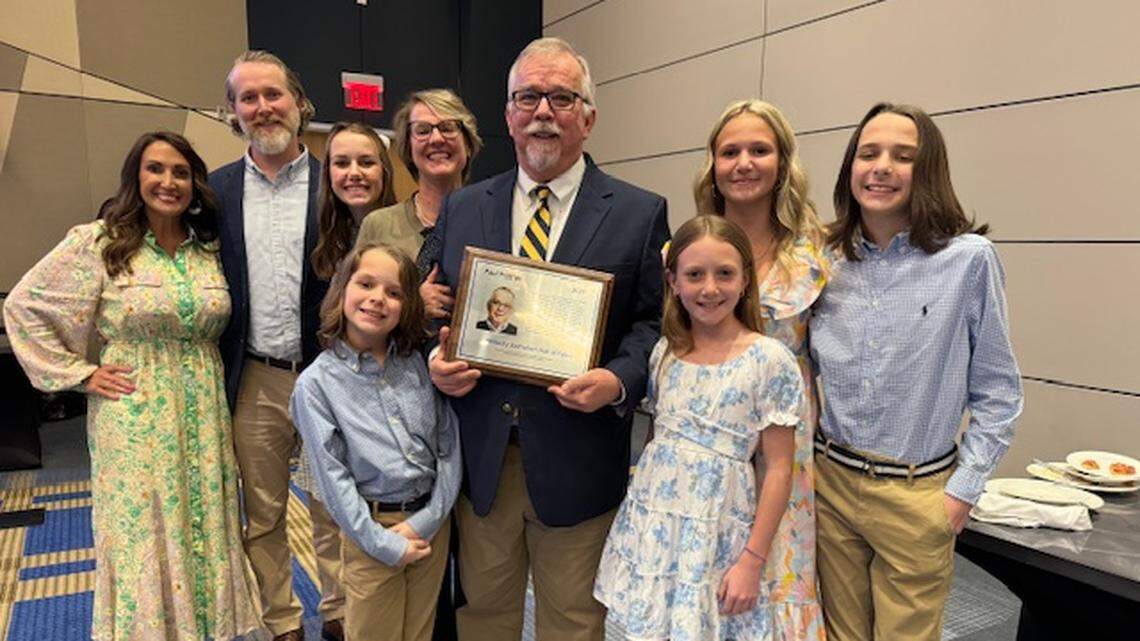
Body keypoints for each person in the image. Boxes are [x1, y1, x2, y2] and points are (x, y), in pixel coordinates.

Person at [421, 36, 670, 641]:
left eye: (561, 97)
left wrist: (618, 380)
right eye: (527, 96)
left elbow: (655, 323)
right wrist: (435, 354)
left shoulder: (640, 212)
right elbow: (438, 304)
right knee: (483, 618)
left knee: (574, 622)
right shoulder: (464, 207)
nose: (542, 112)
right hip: (482, 455)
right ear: (508, 114)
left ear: (588, 116)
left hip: (579, 453)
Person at [4, 131, 260, 640]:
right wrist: (79, 374)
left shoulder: (208, 249)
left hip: (203, 410)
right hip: (134, 411)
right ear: (135, 178)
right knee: (144, 531)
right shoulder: (99, 242)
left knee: (204, 522)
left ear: (195, 184)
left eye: (181, 173)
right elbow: (24, 306)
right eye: (156, 169)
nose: (168, 182)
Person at [809, 102, 1023, 641]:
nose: (881, 166)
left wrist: (962, 493)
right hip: (829, 484)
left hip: (917, 494)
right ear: (849, 167)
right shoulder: (822, 259)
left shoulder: (969, 260)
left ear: (927, 172)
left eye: (902, 156)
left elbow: (998, 392)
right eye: (868, 153)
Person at [595, 214, 804, 640]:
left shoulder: (769, 359)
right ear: (673, 281)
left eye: (724, 274)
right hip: (656, 529)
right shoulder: (665, 353)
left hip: (719, 535)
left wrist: (752, 560)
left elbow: (779, 469)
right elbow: (657, 442)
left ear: (745, 279)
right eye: (695, 275)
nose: (710, 288)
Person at [209, 50, 344, 641]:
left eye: (273, 94)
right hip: (253, 377)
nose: (263, 107)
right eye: (249, 98)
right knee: (261, 513)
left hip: (328, 374)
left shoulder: (337, 183)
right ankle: (282, 623)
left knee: (333, 506)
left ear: (298, 102)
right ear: (233, 112)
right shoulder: (212, 193)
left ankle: (339, 615)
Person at [694, 99, 828, 638]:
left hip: (782, 451)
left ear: (782, 164)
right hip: (709, 448)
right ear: (713, 166)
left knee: (774, 575)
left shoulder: (813, 255)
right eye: (730, 151)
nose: (744, 162)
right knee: (707, 584)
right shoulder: (684, 253)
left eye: (759, 150)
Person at [290, 243, 461, 641]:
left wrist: (430, 518)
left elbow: (449, 447)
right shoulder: (317, 385)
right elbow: (331, 479)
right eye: (365, 283)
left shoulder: (418, 363)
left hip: (431, 525)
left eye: (394, 292)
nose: (377, 299)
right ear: (342, 289)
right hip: (370, 531)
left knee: (420, 633)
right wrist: (381, 543)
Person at [356, 88, 483, 319]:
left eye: (448, 128)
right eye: (422, 131)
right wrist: (412, 306)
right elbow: (354, 308)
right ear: (408, 148)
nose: (436, 139)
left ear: (467, 142)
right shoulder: (378, 225)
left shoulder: (490, 220)